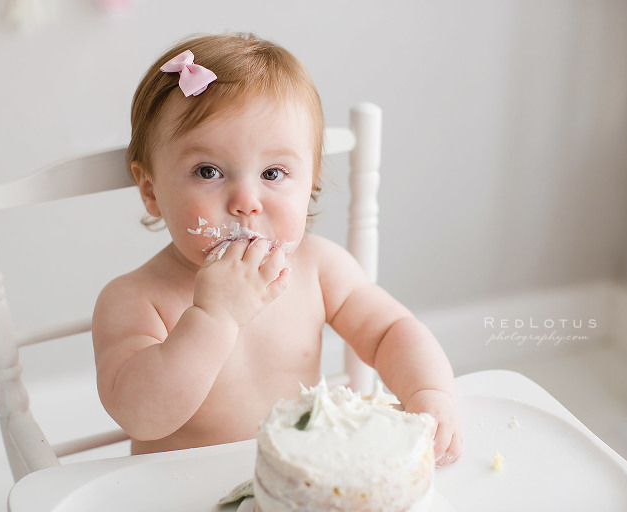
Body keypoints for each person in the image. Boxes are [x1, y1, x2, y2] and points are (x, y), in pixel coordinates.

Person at [92, 32, 463, 465]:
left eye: (273, 173)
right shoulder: (135, 299)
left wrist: (429, 391)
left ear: (311, 185)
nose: (247, 201)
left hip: (298, 476)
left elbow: (389, 332)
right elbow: (141, 418)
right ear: (151, 190)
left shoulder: (319, 269)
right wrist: (214, 318)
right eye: (208, 171)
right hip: (182, 491)